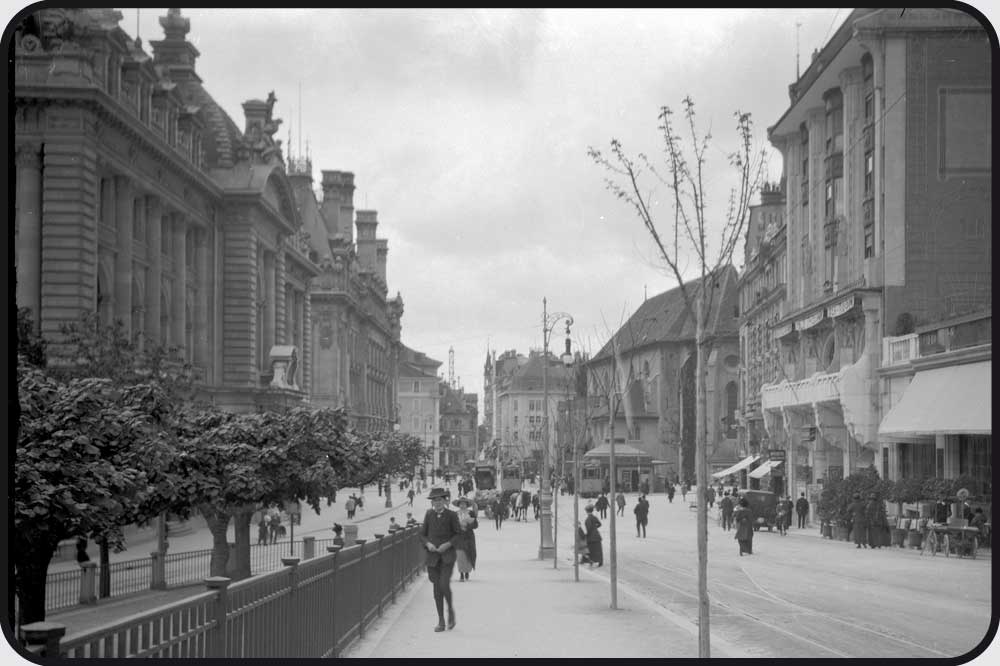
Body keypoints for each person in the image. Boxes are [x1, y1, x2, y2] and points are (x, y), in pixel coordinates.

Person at [421, 487, 462, 632]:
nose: (437, 503)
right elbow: (422, 535)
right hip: (432, 558)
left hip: (447, 556)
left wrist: (448, 544)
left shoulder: (451, 515)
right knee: (436, 588)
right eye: (434, 500)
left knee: (444, 584)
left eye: (439, 500)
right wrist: (428, 544)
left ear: (445, 501)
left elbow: (458, 534)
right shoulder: (429, 515)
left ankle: (450, 610)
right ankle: (441, 621)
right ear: (432, 503)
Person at [453, 497, 478, 582]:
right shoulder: (455, 514)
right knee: (460, 555)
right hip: (459, 537)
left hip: (469, 537)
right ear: (458, 505)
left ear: (467, 505)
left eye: (464, 504)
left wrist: (467, 525)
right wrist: (459, 527)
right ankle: (461, 574)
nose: (462, 505)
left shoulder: (471, 513)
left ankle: (467, 572)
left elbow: (476, 525)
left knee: (469, 554)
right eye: (461, 504)